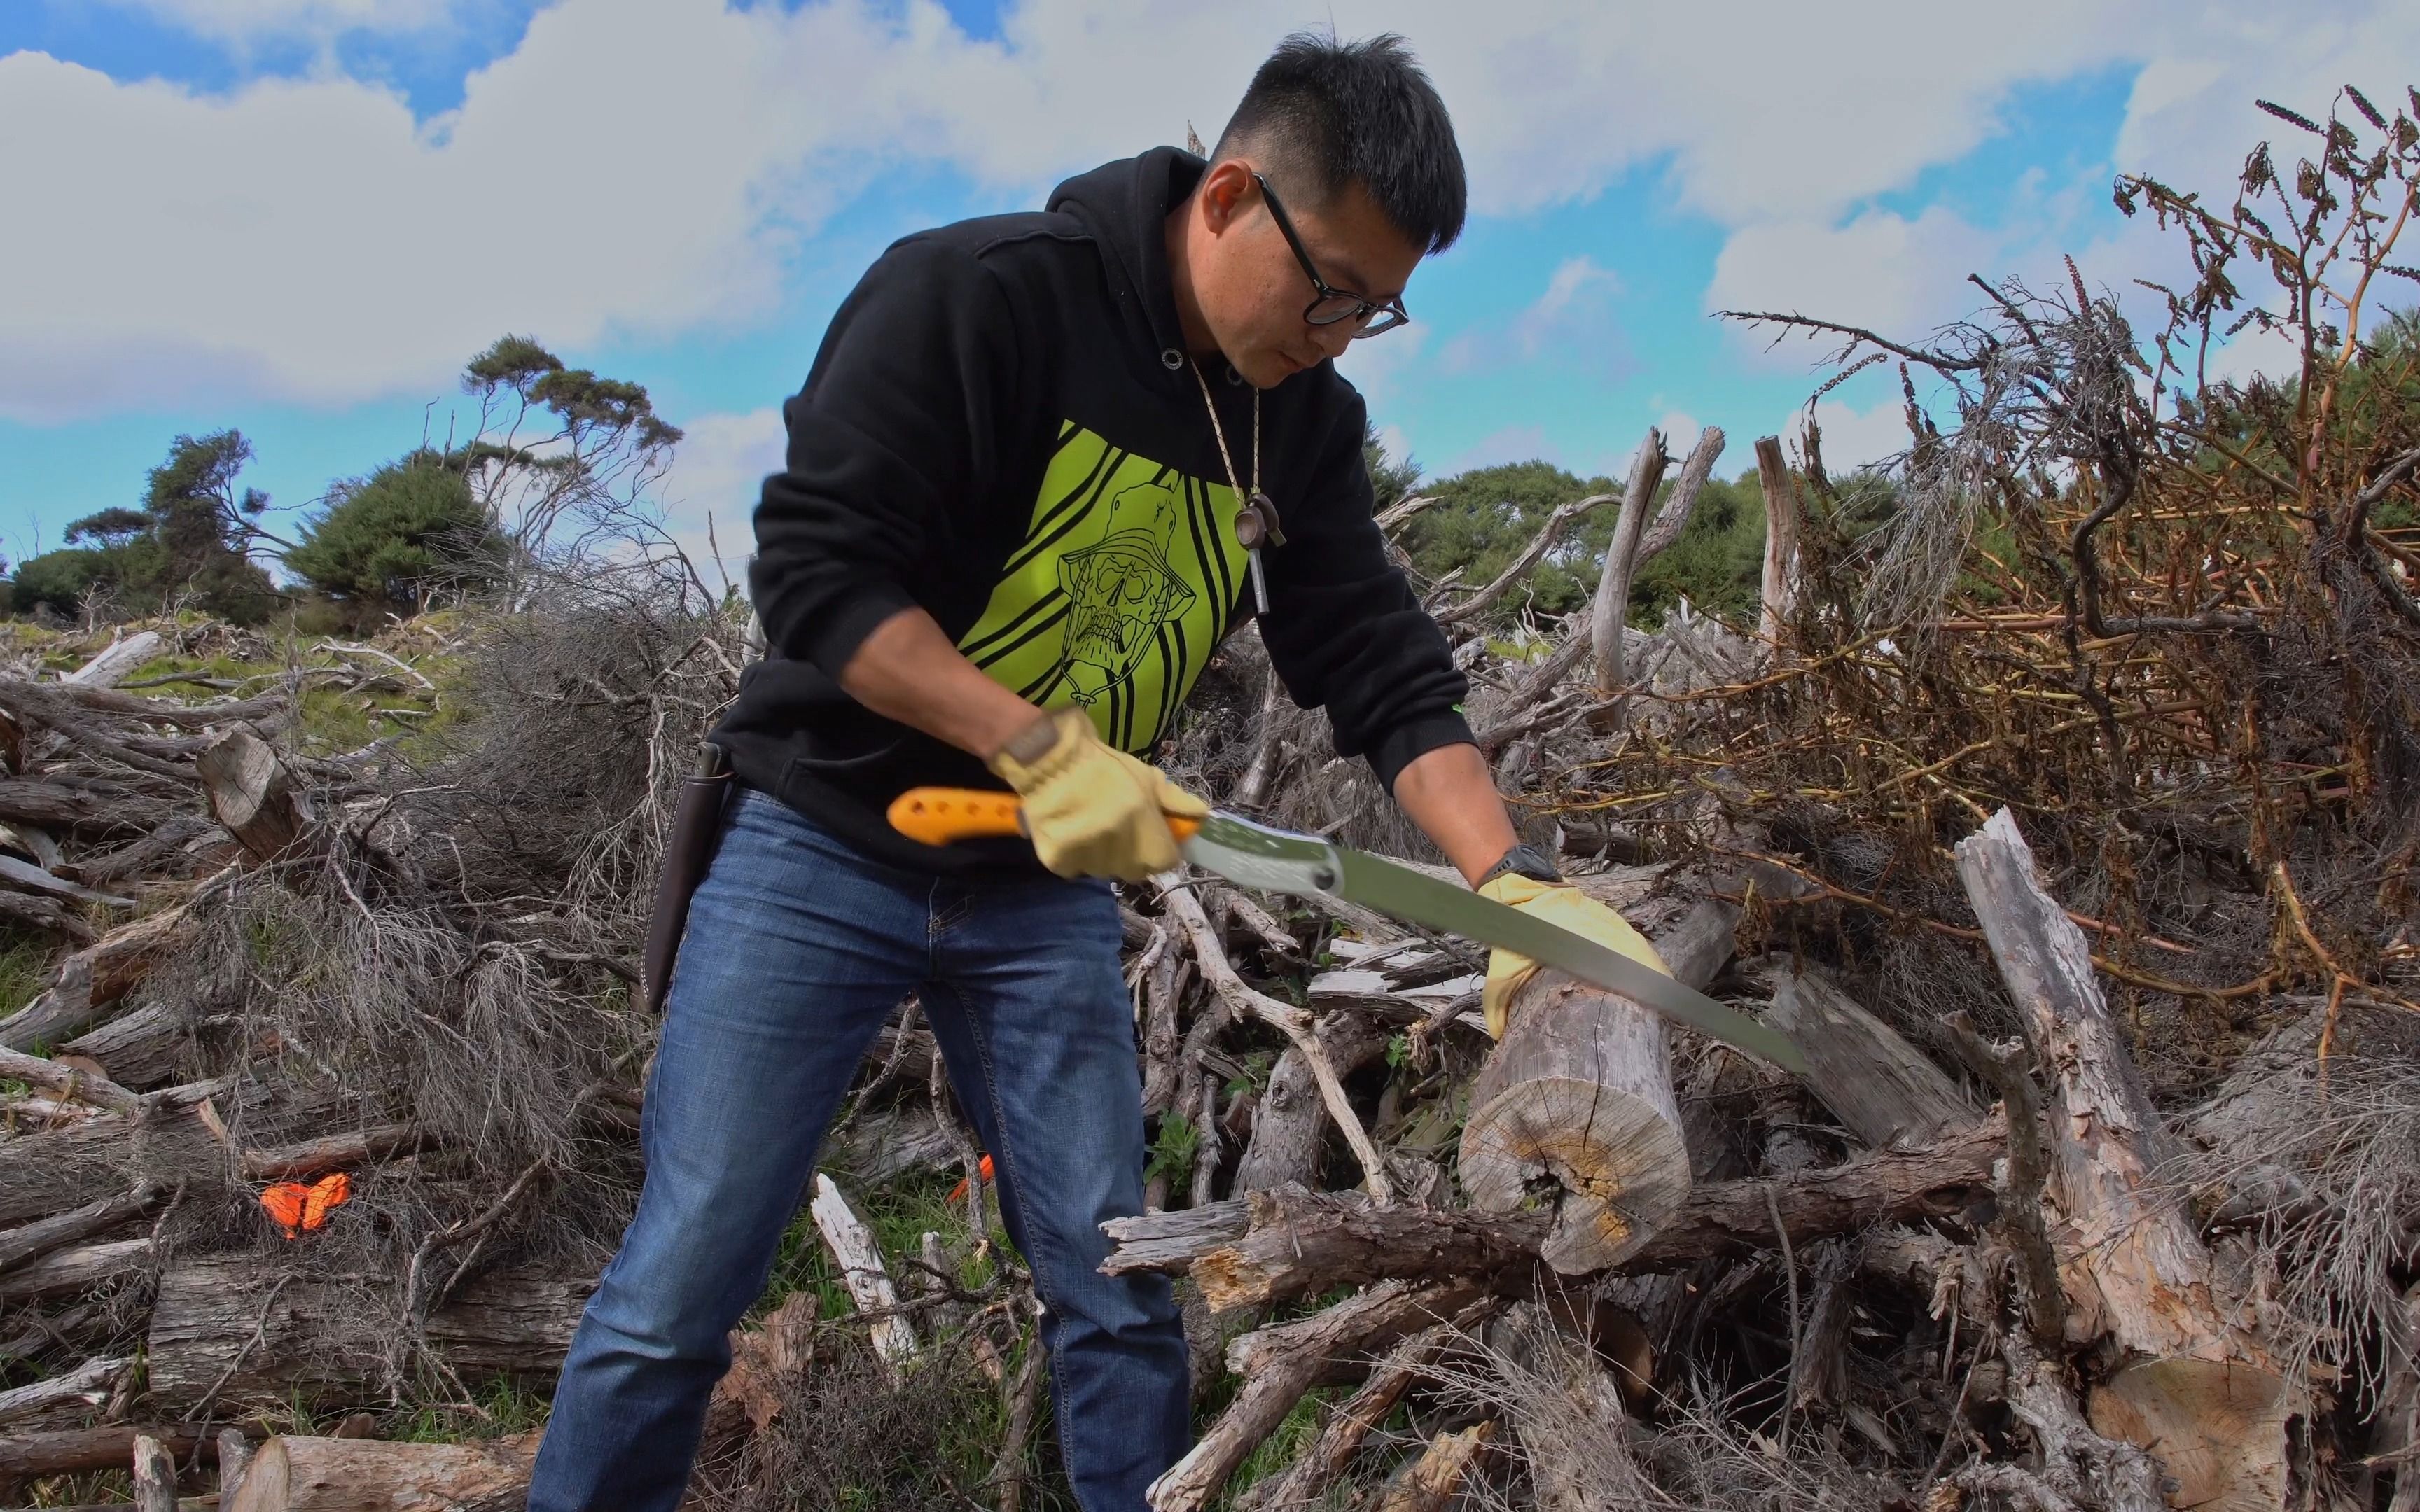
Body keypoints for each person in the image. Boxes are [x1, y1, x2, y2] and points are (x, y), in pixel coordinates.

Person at [528, 31, 1663, 1512]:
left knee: (1116, 1278)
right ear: (1230, 195)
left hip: (1040, 888)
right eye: (1330, 288)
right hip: (823, 844)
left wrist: (1508, 882)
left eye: (1376, 313)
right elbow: (817, 579)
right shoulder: (982, 297)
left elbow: (1374, 657)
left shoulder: (1300, 420)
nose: (1338, 333)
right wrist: (1038, 741)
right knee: (681, 1292)